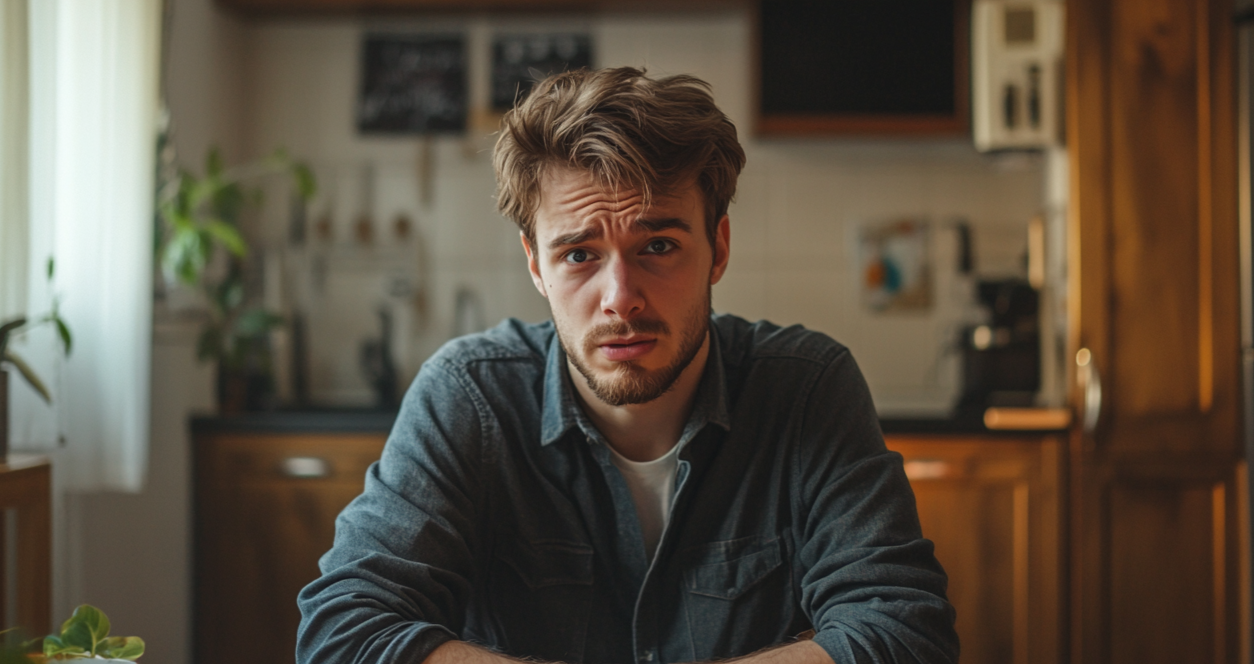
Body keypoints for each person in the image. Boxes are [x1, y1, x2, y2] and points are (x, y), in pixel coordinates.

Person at [297, 67, 958, 664]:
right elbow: (344, 633)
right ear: (536, 265)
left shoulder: (806, 387)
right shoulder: (470, 396)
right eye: (580, 255)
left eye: (659, 245)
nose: (620, 298)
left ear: (718, 247)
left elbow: (903, 633)